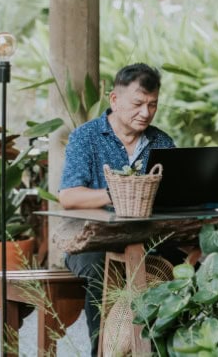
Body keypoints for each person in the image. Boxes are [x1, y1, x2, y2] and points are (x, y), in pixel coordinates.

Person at [58, 63, 175, 356]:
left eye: (152, 105)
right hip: (90, 242)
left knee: (185, 261)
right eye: (137, 104)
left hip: (147, 240)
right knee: (101, 269)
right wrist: (117, 194)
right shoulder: (86, 137)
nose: (145, 112)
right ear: (114, 99)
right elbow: (68, 196)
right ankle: (102, 351)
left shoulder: (162, 142)